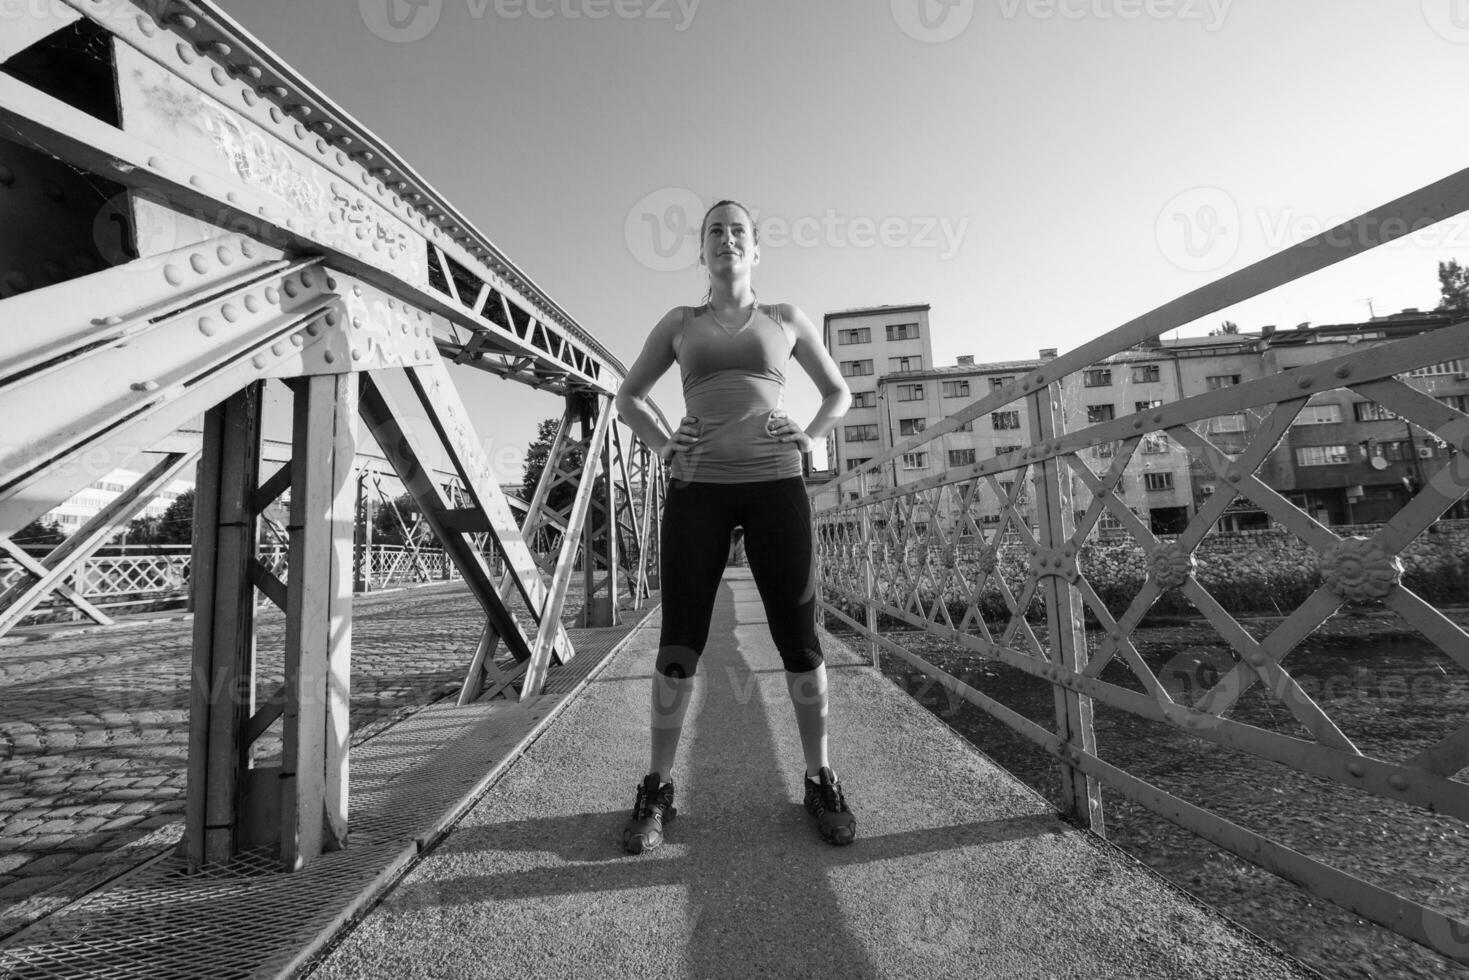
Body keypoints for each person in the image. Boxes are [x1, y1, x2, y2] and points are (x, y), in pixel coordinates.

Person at [612, 199, 855, 853]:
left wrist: (809, 435)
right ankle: (657, 786)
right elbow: (627, 397)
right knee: (679, 640)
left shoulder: (786, 318)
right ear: (701, 251)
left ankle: (819, 775)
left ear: (755, 250)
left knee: (798, 639)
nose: (726, 239)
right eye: (714, 231)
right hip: (698, 491)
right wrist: (665, 447)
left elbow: (839, 393)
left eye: (738, 231)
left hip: (776, 484)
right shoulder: (680, 322)